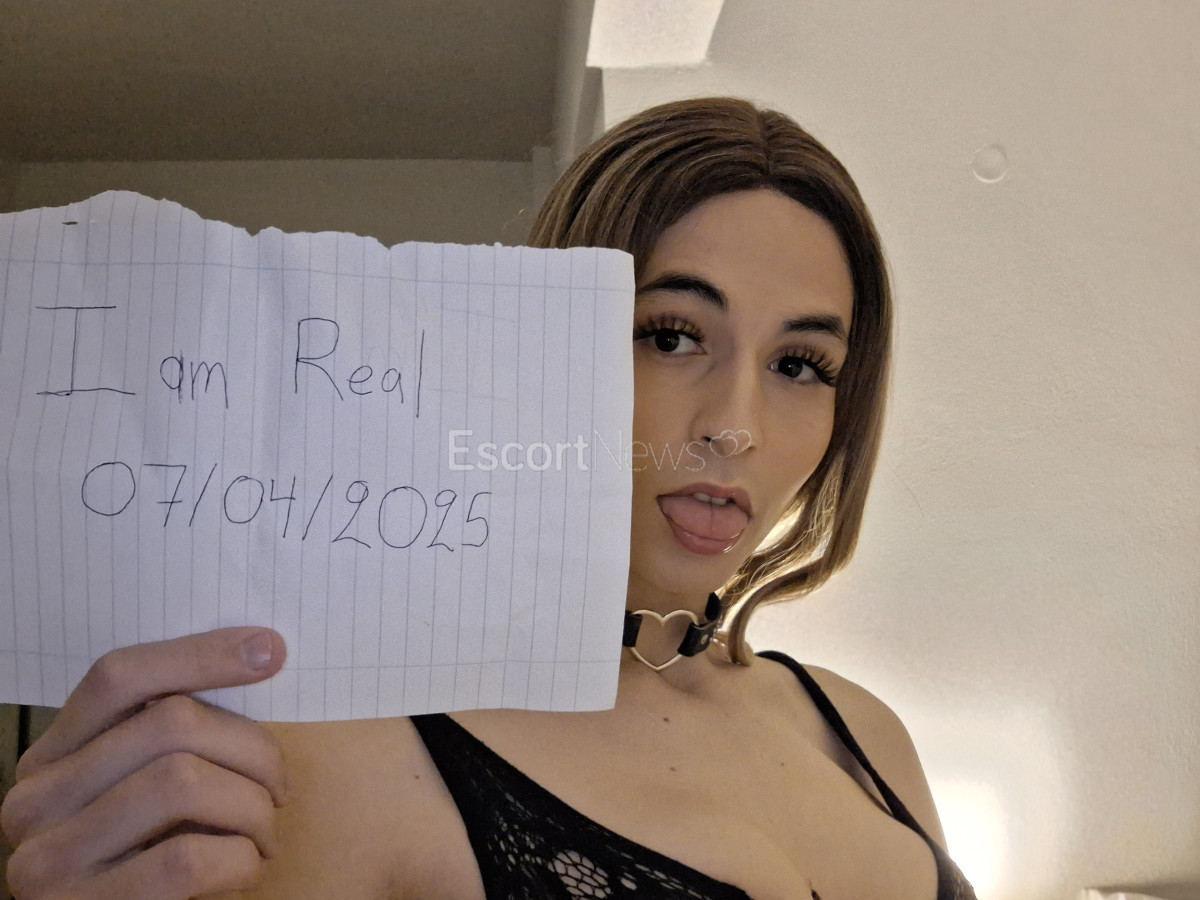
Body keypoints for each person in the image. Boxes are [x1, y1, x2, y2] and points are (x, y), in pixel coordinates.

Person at [0, 98, 977, 899]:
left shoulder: (866, 732)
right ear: (543, 341)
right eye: (671, 335)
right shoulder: (354, 740)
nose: (736, 427)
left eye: (801, 364)